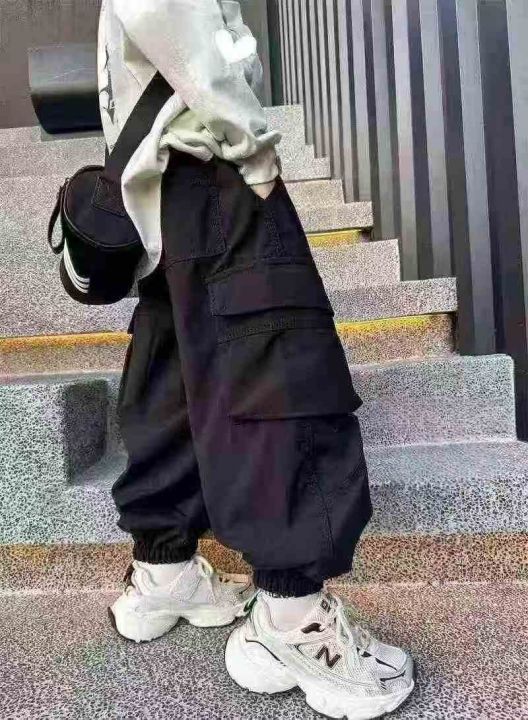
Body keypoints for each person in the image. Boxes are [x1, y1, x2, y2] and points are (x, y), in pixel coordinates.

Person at [98, 1, 414, 717]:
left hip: (158, 191)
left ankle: (164, 572)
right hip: (212, 166)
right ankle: (292, 623)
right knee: (279, 373)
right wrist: (254, 149)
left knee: (175, 377)